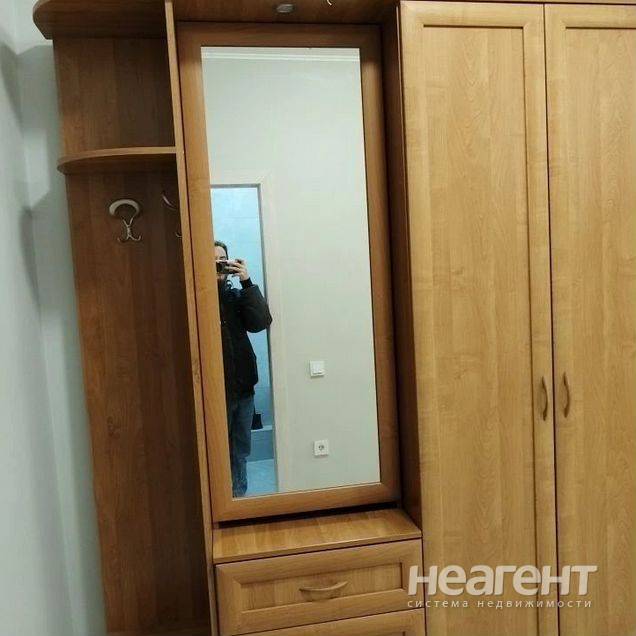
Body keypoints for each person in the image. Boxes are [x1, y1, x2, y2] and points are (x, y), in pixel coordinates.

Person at [215, 240, 272, 497]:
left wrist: (247, 282)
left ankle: (238, 498)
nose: (218, 266)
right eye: (212, 261)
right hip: (216, 393)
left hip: (244, 389)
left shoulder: (237, 297)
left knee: (241, 450)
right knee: (218, 450)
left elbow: (260, 322)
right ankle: (220, 500)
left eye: (222, 260)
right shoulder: (198, 299)